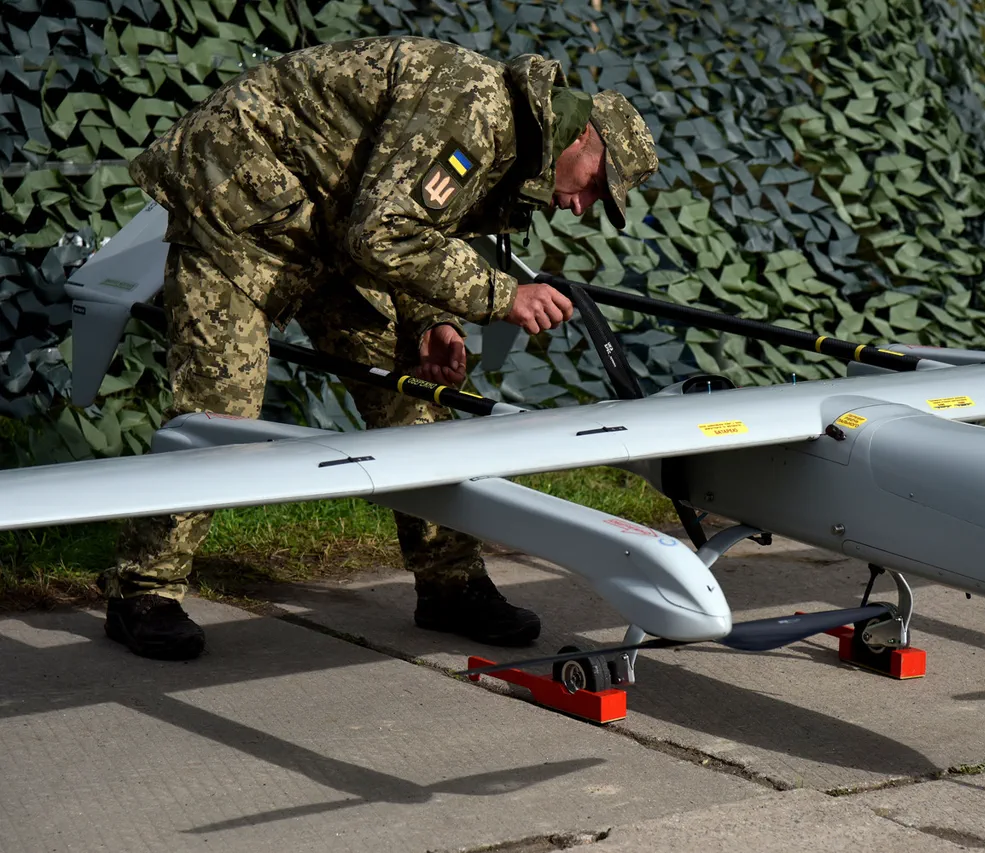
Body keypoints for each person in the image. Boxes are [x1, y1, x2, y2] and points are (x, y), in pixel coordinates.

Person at [98, 35, 660, 661]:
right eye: (595, 187)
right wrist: (504, 295)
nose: (580, 207)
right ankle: (141, 590)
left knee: (419, 395)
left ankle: (450, 585)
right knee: (219, 412)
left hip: (329, 224)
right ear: (583, 140)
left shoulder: (515, 147)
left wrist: (427, 321)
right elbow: (384, 232)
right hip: (236, 199)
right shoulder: (476, 109)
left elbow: (416, 227)